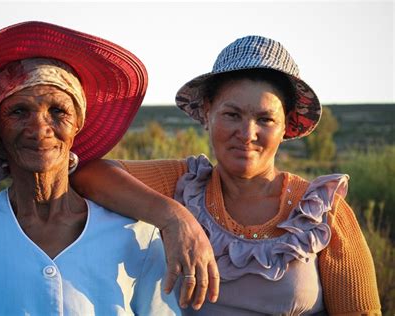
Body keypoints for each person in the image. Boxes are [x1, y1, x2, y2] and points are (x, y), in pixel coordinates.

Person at [71, 35, 381, 314]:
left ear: (286, 126)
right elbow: (88, 174)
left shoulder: (320, 211)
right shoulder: (184, 183)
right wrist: (175, 217)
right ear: (207, 114)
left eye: (265, 119)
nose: (247, 134)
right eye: (232, 115)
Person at [0, 21, 181, 315]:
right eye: (19, 112)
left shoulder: (137, 236)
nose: (40, 128)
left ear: (77, 125)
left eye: (58, 111)